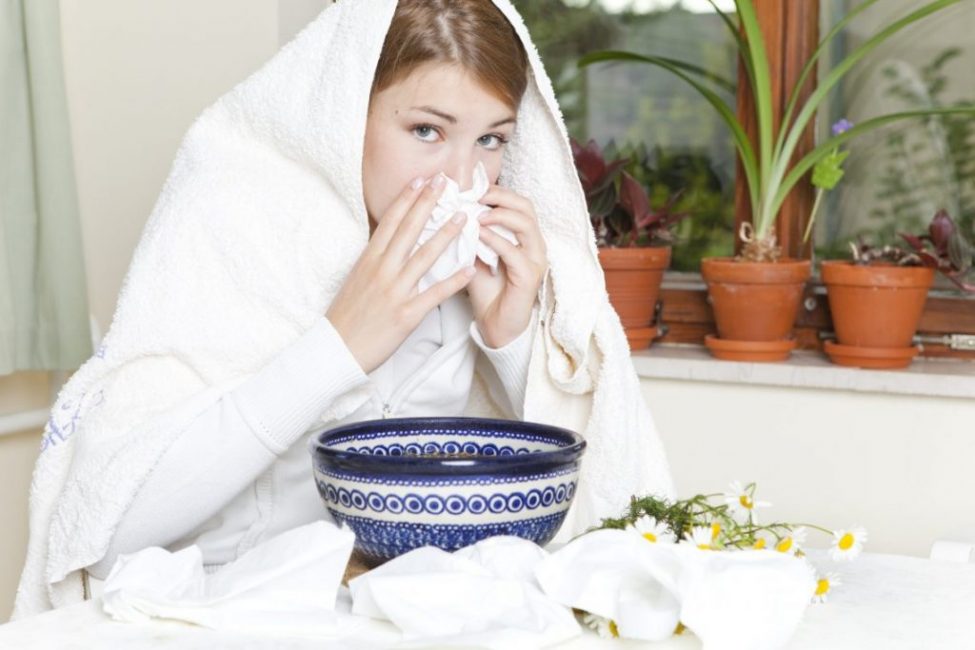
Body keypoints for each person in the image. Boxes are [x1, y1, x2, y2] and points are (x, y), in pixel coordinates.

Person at [14, 0, 673, 618]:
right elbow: (103, 530)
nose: (460, 179)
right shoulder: (231, 225)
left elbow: (582, 506)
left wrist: (509, 345)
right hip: (206, 613)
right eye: (426, 130)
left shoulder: (477, 280)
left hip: (373, 618)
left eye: (491, 140)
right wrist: (339, 347)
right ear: (342, 114)